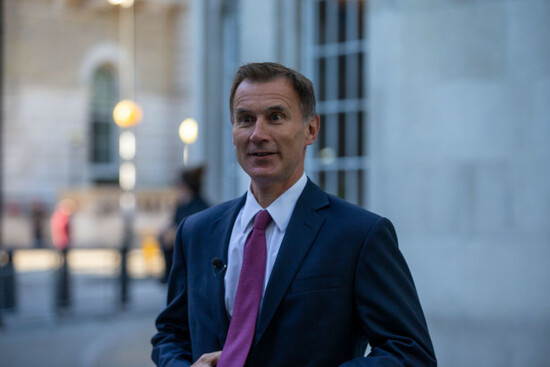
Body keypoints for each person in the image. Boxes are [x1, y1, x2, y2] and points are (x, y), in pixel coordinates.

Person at [151, 62, 436, 366]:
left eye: (276, 117)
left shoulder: (360, 235)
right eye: (245, 119)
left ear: (310, 129)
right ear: (233, 131)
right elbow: (171, 335)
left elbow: (409, 352)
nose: (257, 134)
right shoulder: (197, 232)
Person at [159, 166, 210, 283]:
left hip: (192, 271)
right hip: (179, 271)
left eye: (178, 186)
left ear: (185, 187)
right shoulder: (181, 206)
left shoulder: (199, 208)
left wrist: (175, 234)